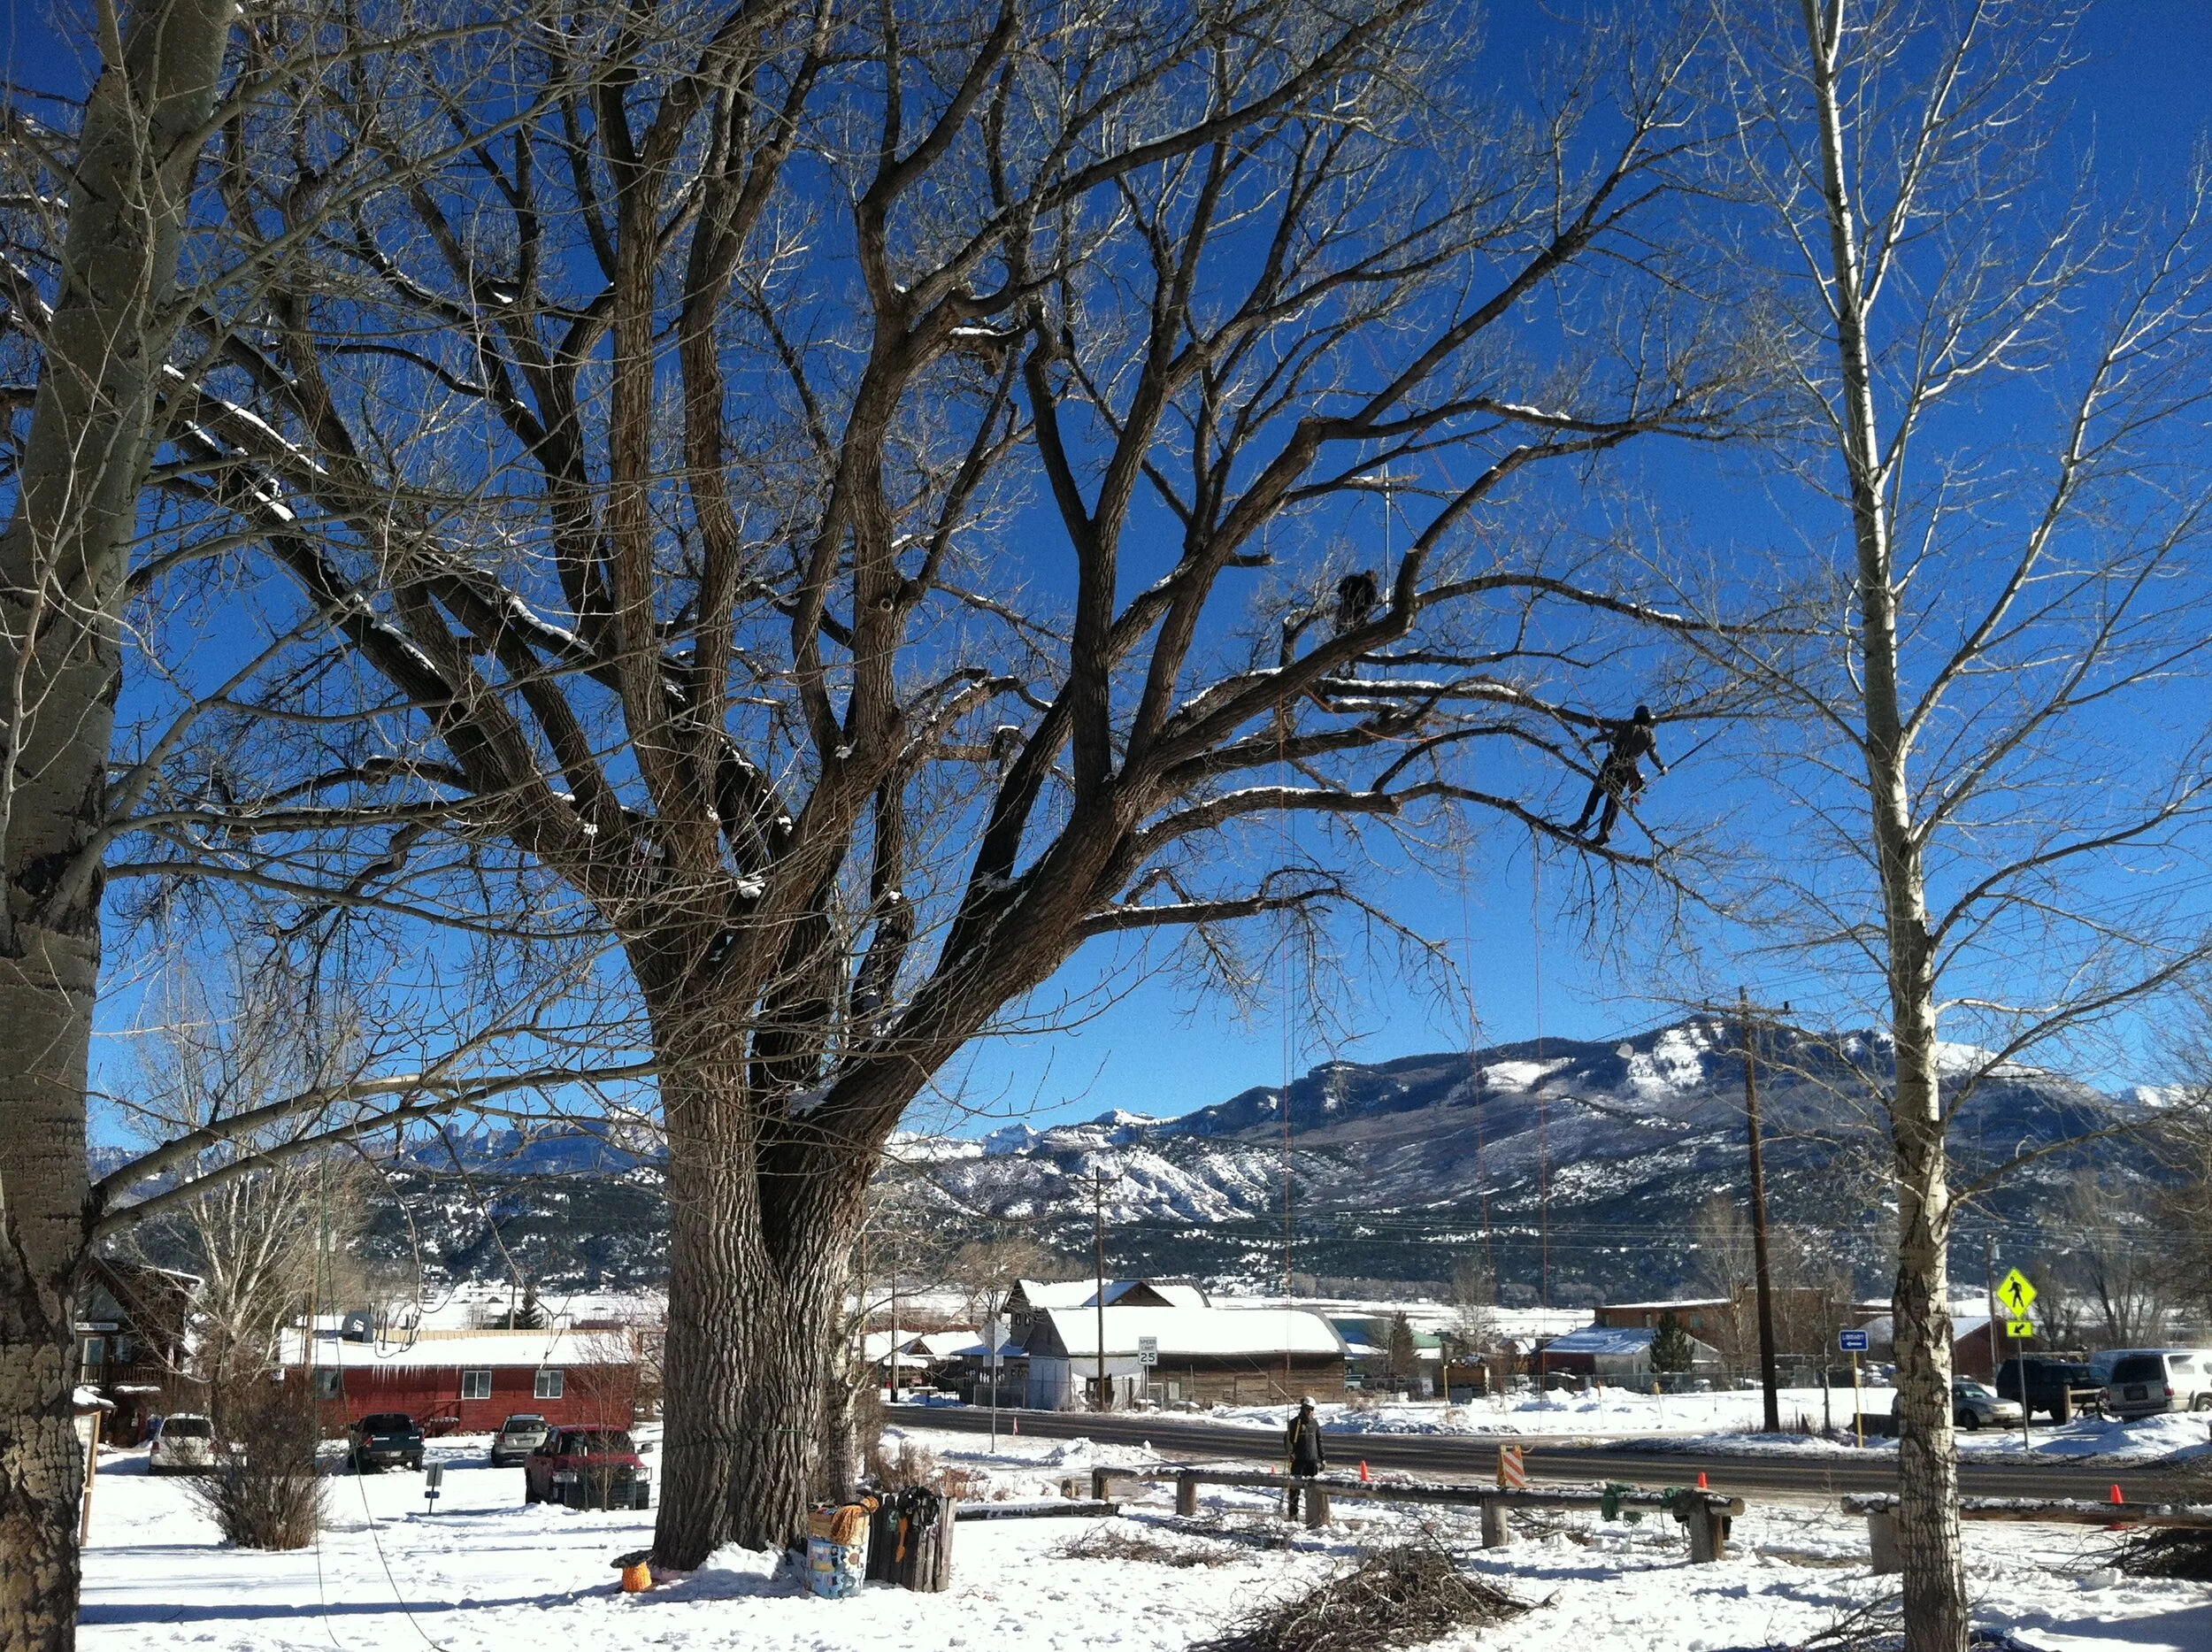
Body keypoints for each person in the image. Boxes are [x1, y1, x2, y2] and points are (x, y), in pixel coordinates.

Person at [1567, 703, 1667, 847]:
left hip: (1613, 761)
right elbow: (1653, 755)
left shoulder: (1626, 725)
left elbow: (1611, 735)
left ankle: (1584, 819)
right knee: (1614, 798)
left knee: (1597, 790)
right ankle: (1605, 831)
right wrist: (1662, 767)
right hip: (1627, 768)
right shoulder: (1650, 735)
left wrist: (1592, 740)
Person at [1283, 1396, 1326, 1518]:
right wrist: (1290, 1452)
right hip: (1298, 1462)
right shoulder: (1295, 1423)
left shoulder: (1314, 1424)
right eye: (1308, 1409)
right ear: (1302, 1409)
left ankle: (1312, 1514)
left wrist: (1322, 1458)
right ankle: (1293, 1514)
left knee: (1312, 1489)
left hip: (1312, 1461)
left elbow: (1319, 1441)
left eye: (1312, 1409)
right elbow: (1287, 1440)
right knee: (1295, 1489)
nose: (1310, 1412)